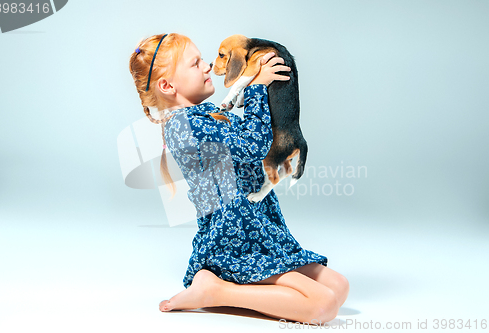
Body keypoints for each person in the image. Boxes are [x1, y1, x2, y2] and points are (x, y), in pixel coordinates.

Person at [128, 33, 349, 324]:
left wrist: (252, 78)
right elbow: (253, 144)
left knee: (339, 287)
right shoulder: (186, 126)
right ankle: (215, 290)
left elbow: (246, 136)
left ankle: (231, 291)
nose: (207, 66)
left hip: (257, 231)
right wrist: (257, 86)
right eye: (195, 64)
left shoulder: (204, 114)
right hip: (233, 240)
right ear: (168, 86)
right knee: (323, 306)